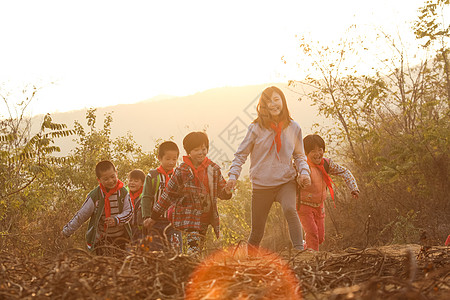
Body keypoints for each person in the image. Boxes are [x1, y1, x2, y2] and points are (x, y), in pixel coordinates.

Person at [226, 86, 311, 252]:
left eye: (276, 99)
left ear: (283, 102)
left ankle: (300, 251)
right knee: (257, 230)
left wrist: (304, 173)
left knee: (290, 209)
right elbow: (240, 155)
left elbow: (299, 155)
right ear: (262, 105)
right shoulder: (255, 128)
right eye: (268, 101)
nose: (273, 104)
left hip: (285, 182)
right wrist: (233, 176)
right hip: (261, 186)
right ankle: (250, 260)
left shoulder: (294, 127)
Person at [145, 132, 232, 254]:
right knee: (193, 247)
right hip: (189, 216)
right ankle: (190, 264)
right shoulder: (182, 171)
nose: (201, 152)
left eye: (204, 148)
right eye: (196, 150)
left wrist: (227, 191)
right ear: (188, 152)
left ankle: (190, 268)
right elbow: (168, 194)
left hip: (205, 217)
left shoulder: (213, 169)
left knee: (198, 248)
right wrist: (154, 216)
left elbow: (221, 192)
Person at [298, 134, 359, 251]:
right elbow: (293, 177)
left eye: (320, 150)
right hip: (303, 205)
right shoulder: (302, 166)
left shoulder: (326, 164)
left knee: (320, 238)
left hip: (319, 205)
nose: (317, 154)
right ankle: (312, 258)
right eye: (312, 151)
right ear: (305, 153)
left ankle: (304, 247)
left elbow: (344, 172)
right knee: (313, 234)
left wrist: (353, 188)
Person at [61, 160, 133, 254]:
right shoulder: (95, 196)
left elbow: (129, 211)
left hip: (121, 238)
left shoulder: (123, 192)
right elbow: (82, 215)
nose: (111, 181)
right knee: (103, 265)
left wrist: (116, 220)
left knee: (120, 265)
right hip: (102, 240)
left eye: (112, 177)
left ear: (116, 174)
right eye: (106, 179)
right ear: (99, 180)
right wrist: (67, 231)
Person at [141, 141, 182, 251]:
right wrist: (146, 217)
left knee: (175, 251)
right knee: (156, 252)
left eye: (174, 159)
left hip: (174, 223)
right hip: (155, 222)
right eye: (168, 159)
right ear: (159, 158)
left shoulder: (179, 176)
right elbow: (146, 197)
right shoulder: (153, 176)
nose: (171, 162)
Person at [127, 169, 146, 241]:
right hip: (128, 229)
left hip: (141, 230)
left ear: (143, 183)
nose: (132, 183)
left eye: (136, 181)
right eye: (130, 180)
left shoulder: (145, 196)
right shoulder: (125, 195)